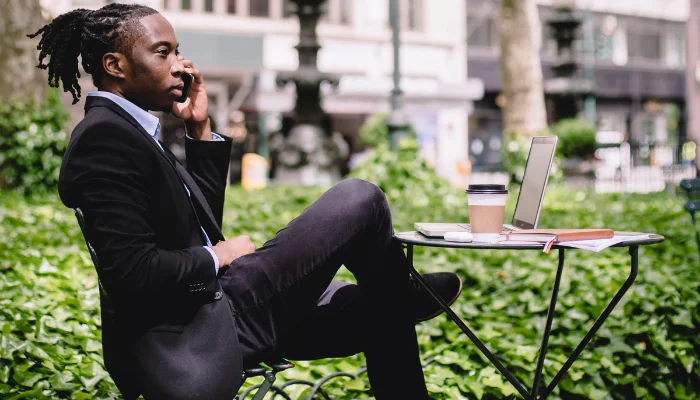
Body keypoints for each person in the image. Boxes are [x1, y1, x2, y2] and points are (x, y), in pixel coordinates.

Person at [28, 4, 463, 399]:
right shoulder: (106, 138)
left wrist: (199, 134)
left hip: (214, 314)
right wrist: (220, 255)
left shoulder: (130, 130)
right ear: (115, 65)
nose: (179, 65)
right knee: (359, 198)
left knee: (374, 311)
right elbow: (132, 274)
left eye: (178, 51)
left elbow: (191, 226)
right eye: (163, 53)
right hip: (200, 330)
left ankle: (393, 298)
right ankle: (399, 295)